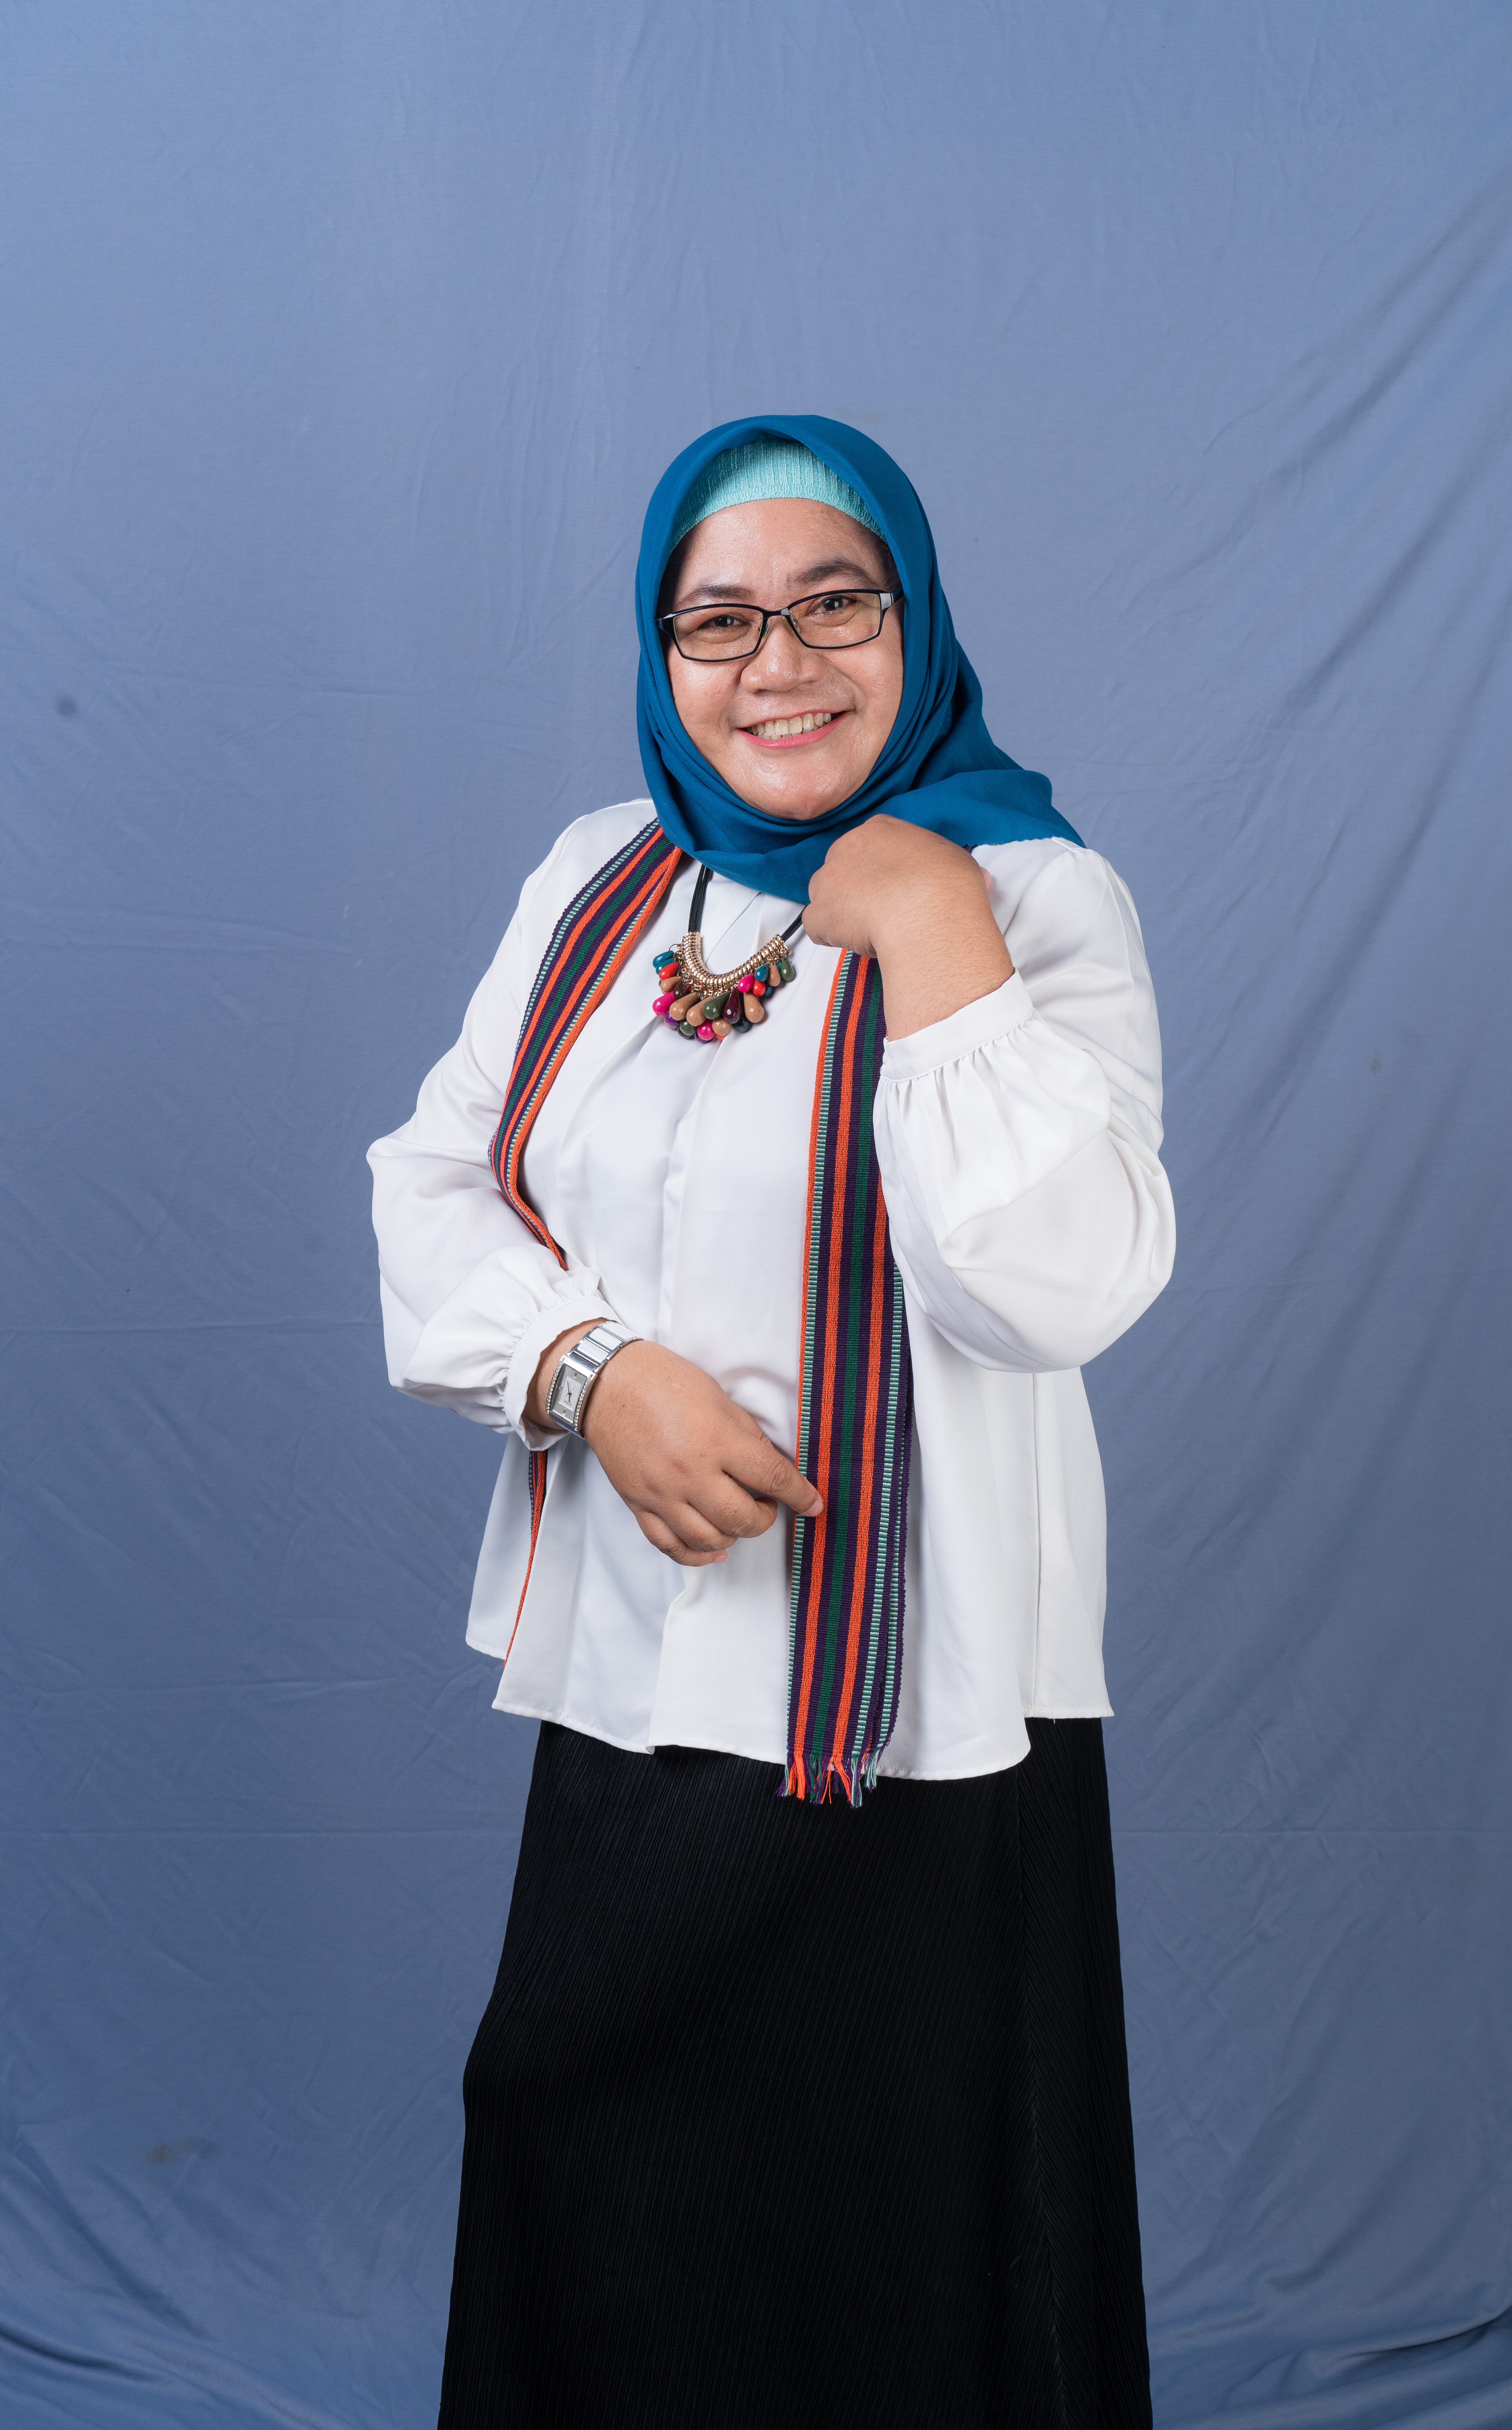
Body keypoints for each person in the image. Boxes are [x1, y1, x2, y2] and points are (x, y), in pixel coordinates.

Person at [368, 415, 1176, 2429]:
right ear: (663, 652)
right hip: (635, 1671)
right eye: (717, 620)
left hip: (921, 1704)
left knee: (886, 2218)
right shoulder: (603, 878)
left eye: (834, 605)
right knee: (592, 2159)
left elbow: (1053, 1289)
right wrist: (594, 1372)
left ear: (915, 618)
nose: (779, 665)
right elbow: (437, 1183)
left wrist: (937, 935)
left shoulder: (1034, 895)